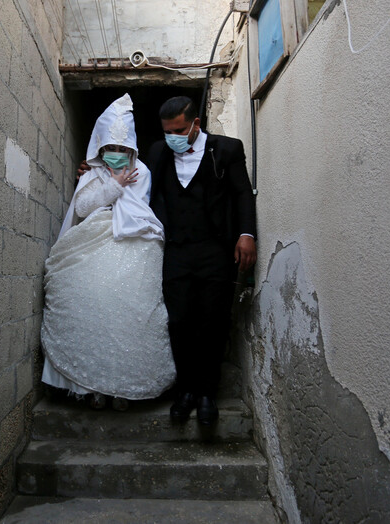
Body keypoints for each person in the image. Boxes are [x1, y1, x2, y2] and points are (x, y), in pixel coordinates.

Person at [40, 94, 176, 411]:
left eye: (123, 149)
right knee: (90, 309)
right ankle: (89, 385)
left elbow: (136, 210)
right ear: (101, 148)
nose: (117, 154)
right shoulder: (91, 172)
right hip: (92, 241)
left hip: (131, 241)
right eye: (111, 149)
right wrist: (113, 184)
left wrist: (117, 189)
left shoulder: (142, 170)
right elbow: (85, 207)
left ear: (132, 148)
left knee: (128, 311)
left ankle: (123, 387)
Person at [146, 96, 256, 425]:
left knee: (213, 321)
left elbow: (241, 193)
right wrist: (94, 169)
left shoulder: (227, 149)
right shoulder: (157, 152)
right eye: (167, 131)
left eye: (178, 130)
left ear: (196, 124)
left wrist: (247, 234)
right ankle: (186, 391)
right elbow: (133, 175)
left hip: (215, 249)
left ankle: (208, 393)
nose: (172, 137)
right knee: (179, 321)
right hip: (176, 250)